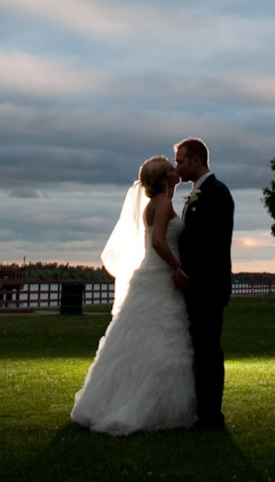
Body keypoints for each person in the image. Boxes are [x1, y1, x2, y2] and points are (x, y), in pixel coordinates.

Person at [71, 157, 196, 435]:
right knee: (159, 338)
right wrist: (177, 268)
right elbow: (158, 241)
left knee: (140, 339)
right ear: (164, 178)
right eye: (171, 168)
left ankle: (116, 399)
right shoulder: (162, 204)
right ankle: (145, 405)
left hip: (151, 274)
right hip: (161, 275)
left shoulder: (158, 202)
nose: (177, 170)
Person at [173, 137, 234, 430]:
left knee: (209, 351)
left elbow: (212, 245)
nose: (178, 167)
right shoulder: (198, 193)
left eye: (181, 161)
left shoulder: (217, 193)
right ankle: (203, 410)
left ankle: (212, 416)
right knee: (200, 349)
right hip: (197, 288)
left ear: (196, 160)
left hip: (208, 288)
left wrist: (187, 274)